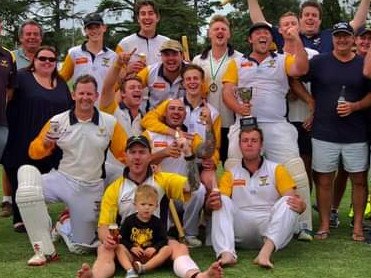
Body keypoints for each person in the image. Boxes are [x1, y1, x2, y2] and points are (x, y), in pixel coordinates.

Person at [15, 74, 128, 266]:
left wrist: (146, 162)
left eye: (89, 94)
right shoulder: (58, 121)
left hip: (89, 187)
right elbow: (33, 153)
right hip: (61, 178)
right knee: (26, 188)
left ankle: (63, 225)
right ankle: (43, 249)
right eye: (81, 93)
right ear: (73, 95)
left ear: (96, 96)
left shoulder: (109, 123)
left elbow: (124, 153)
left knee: (82, 247)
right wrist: (45, 144)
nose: (85, 97)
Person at [77, 135, 223, 278]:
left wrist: (189, 155)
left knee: (179, 247)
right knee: (104, 248)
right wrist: (107, 239)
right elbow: (104, 226)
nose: (137, 157)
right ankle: (94, 276)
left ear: (149, 156)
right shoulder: (115, 188)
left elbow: (193, 186)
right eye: (132, 152)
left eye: (142, 152)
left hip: (158, 247)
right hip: (127, 248)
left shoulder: (162, 179)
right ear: (125, 156)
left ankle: (197, 275)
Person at [222, 22, 312, 240]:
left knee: (295, 171)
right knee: (234, 168)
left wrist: (297, 39)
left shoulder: (282, 60)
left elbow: (301, 69)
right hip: (244, 124)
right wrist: (238, 108)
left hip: (275, 124)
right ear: (250, 40)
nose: (262, 36)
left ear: (271, 40)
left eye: (266, 33)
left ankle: (302, 223)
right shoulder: (237, 63)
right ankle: (229, 221)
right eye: (257, 33)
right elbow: (227, 92)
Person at [292, 22, 371, 241]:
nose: (342, 40)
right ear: (333, 39)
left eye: (346, 36)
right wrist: (310, 101)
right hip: (324, 132)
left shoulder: (363, 64)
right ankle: (324, 225)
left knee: (359, 181)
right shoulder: (319, 62)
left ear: (353, 39)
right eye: (338, 36)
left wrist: (354, 106)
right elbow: (295, 78)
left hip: (356, 133)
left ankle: (356, 227)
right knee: (324, 180)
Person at [206, 127, 306, 269]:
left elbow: (295, 202)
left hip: (269, 231)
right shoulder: (231, 174)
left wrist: (301, 206)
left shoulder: (276, 169)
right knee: (222, 201)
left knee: (287, 201)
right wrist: (211, 204)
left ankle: (265, 253)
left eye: (254, 140)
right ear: (239, 145)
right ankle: (226, 253)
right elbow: (216, 208)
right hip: (239, 231)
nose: (249, 144)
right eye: (245, 141)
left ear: (261, 144)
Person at [2, 46, 72, 232]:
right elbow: (6, 96)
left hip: (54, 142)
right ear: (34, 60)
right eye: (43, 58)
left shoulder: (61, 82)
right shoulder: (22, 78)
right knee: (22, 176)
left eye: (51, 59)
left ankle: (53, 212)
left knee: (49, 178)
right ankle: (20, 218)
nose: (47, 62)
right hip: (22, 136)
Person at [142, 95, 217, 247]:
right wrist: (164, 153)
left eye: (180, 109)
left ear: (185, 115)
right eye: (172, 108)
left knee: (199, 190)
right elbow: (140, 161)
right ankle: (165, 232)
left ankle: (190, 234)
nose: (176, 112)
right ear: (165, 113)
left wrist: (209, 125)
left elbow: (207, 152)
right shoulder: (150, 134)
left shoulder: (190, 137)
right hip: (158, 190)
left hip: (182, 191)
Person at [193, 15, 242, 164]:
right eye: (216, 29)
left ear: (229, 34)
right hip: (205, 123)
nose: (219, 32)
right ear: (209, 33)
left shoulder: (240, 59)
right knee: (206, 165)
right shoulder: (198, 60)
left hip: (230, 122)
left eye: (223, 29)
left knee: (230, 165)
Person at [247, 0, 370, 53]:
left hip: (321, 91)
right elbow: (260, 22)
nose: (310, 17)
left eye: (314, 15)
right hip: (294, 95)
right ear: (300, 19)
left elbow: (357, 22)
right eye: (306, 15)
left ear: (320, 20)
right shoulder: (285, 36)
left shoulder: (330, 35)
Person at [117, 184, 171, 278]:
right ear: (135, 205)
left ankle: (144, 268)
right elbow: (122, 239)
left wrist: (155, 248)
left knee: (168, 249)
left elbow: (163, 240)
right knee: (119, 247)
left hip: (150, 257)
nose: (147, 207)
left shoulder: (157, 222)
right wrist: (131, 247)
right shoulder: (129, 220)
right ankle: (130, 270)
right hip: (132, 256)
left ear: (156, 206)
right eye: (143, 204)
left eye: (150, 205)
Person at [59, 13, 116, 97]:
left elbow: (118, 85)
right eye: (90, 28)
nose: (94, 31)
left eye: (97, 27)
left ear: (104, 28)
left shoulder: (113, 56)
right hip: (80, 106)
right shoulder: (74, 53)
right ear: (85, 31)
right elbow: (61, 79)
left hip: (104, 108)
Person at [116, 0, 169, 67]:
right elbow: (114, 73)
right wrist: (127, 70)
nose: (147, 17)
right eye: (143, 14)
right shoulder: (124, 44)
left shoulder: (167, 43)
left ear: (157, 17)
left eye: (151, 13)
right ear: (138, 18)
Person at [137, 39, 186, 111]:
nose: (171, 58)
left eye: (174, 54)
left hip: (184, 118)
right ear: (161, 57)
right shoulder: (150, 71)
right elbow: (129, 88)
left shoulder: (192, 72)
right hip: (155, 118)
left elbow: (203, 96)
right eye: (166, 54)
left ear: (182, 56)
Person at [0, 18, 17, 217]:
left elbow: (11, 89)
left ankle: (8, 201)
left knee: (6, 163)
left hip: (2, 122)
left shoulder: (7, 55)